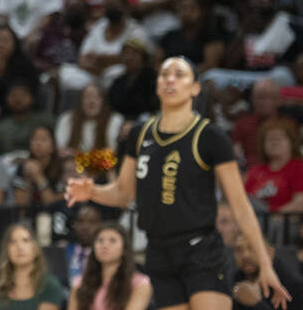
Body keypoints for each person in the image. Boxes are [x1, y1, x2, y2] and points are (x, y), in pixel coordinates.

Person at [67, 56, 291, 310]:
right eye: (164, 74)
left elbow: (240, 206)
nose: (170, 79)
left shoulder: (211, 137)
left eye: (179, 74)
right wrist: (92, 191)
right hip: (159, 252)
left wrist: (265, 264)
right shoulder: (140, 134)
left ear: (195, 88)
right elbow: (123, 193)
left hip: (201, 251)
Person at [0, 223, 66, 310]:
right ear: (6, 250)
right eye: (13, 242)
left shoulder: (50, 285)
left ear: (35, 249)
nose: (19, 247)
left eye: (25, 240)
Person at [67, 223, 152, 310]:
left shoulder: (140, 284)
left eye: (112, 241)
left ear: (124, 248)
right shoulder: (79, 283)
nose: (105, 246)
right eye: (100, 240)